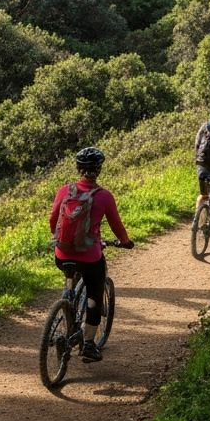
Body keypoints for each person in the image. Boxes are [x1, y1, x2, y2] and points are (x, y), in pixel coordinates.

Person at [49, 146, 133, 362]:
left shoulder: (64, 190)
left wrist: (62, 239)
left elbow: (53, 219)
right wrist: (125, 242)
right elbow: (117, 227)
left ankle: (65, 303)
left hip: (62, 253)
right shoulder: (104, 196)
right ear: (99, 169)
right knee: (94, 296)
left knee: (70, 272)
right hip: (89, 257)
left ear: (79, 169)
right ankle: (88, 344)